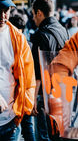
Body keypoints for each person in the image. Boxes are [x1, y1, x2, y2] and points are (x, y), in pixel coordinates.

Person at [30, 0, 69, 141]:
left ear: (39, 13)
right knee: (60, 132)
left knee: (44, 135)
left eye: (34, 14)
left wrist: (33, 98)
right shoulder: (63, 30)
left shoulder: (40, 34)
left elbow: (38, 70)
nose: (33, 19)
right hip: (63, 90)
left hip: (45, 94)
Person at [0, 0, 36, 140]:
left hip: (11, 120)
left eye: (5, 10)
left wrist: (22, 110)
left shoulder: (18, 38)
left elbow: (28, 78)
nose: (2, 15)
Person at [9, 12, 36, 141]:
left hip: (19, 96)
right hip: (26, 95)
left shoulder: (14, 44)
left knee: (19, 129)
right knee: (28, 128)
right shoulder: (29, 44)